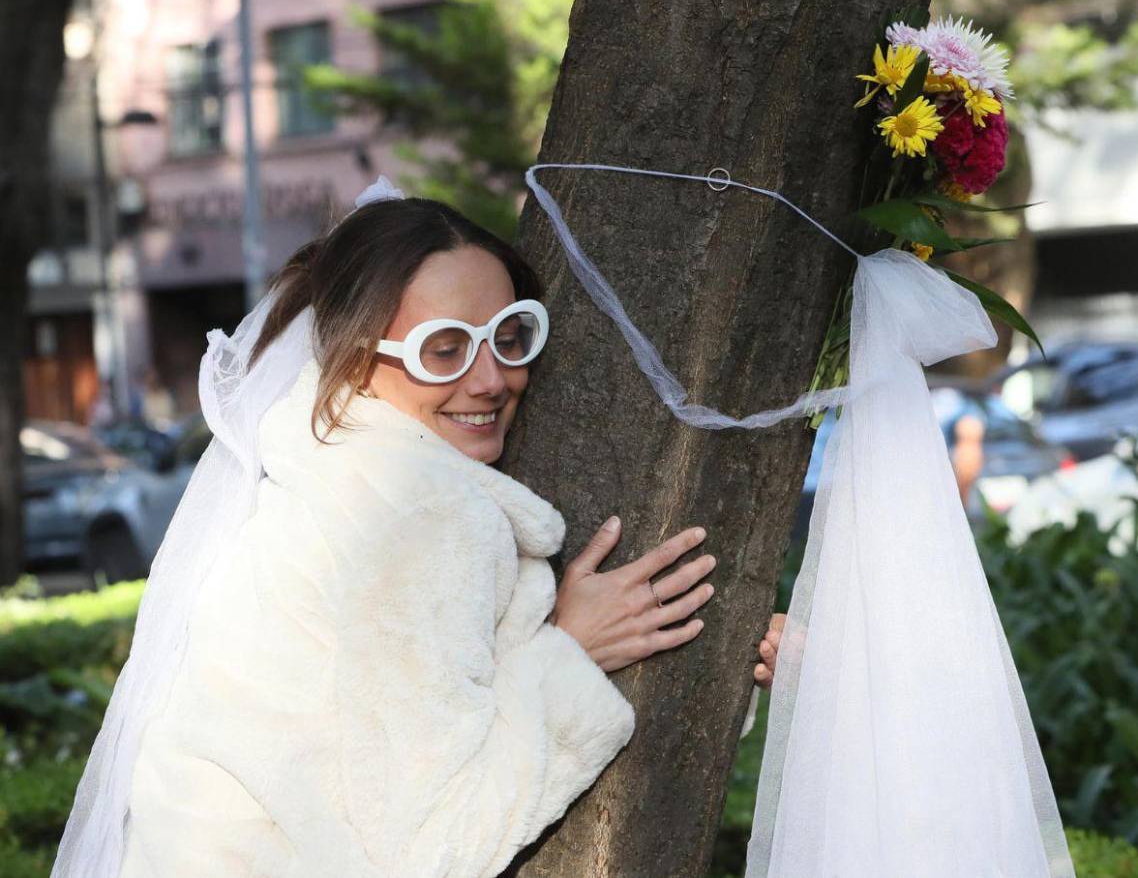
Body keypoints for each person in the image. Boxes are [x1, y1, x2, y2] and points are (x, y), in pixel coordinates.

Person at [101, 188, 782, 877]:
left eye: (509, 337)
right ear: (356, 358)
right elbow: (434, 849)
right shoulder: (412, 515)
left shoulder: (326, 475)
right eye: (443, 350)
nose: (490, 379)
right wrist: (572, 649)